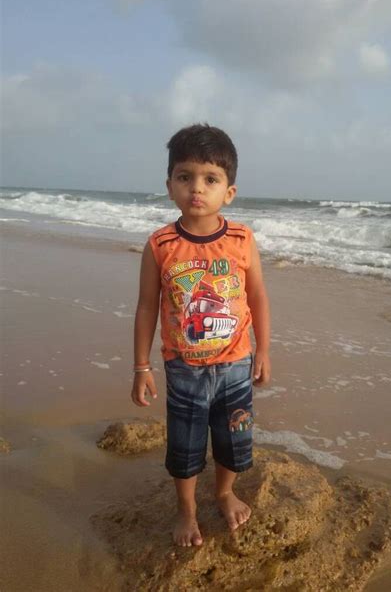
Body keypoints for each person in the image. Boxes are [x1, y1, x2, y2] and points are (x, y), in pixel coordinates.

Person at [131, 123, 271, 547]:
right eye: (185, 176)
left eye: (211, 179)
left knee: (234, 439)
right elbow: (146, 307)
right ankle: (186, 509)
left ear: (229, 192)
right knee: (185, 445)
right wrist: (141, 367)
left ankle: (225, 492)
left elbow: (257, 296)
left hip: (236, 365)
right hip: (183, 368)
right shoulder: (160, 245)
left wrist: (264, 350)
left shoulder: (242, 239)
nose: (197, 188)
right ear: (169, 186)